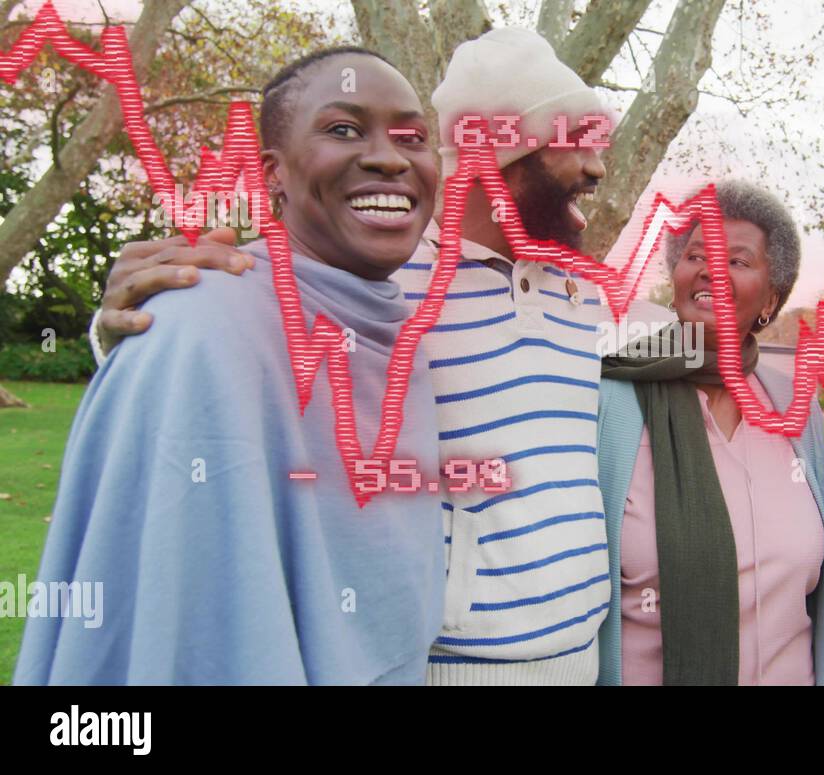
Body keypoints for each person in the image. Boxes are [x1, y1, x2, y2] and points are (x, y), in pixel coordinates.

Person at [85, 29, 616, 685]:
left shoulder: (584, 294)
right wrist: (121, 331)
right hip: (451, 666)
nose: (597, 167)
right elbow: (249, 333)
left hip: (583, 657)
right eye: (576, 143)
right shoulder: (383, 278)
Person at [15, 48, 445, 684]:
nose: (389, 156)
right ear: (273, 173)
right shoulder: (204, 321)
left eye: (411, 135)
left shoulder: (404, 327)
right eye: (343, 129)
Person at [596, 180, 824, 685]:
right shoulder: (612, 400)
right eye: (696, 255)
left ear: (770, 298)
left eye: (738, 261)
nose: (709, 270)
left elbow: (822, 558)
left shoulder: (794, 407)